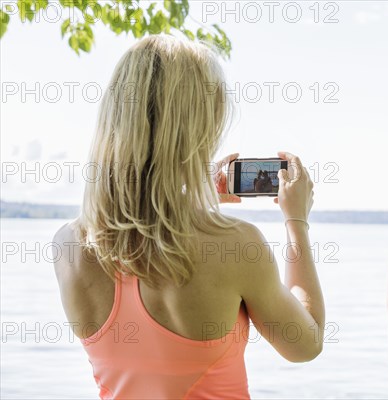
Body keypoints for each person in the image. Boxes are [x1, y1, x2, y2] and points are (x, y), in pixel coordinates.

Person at [52, 35, 324, 399]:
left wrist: (193, 197)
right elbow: (305, 345)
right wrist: (297, 223)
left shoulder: (70, 245)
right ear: (200, 128)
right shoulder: (236, 245)